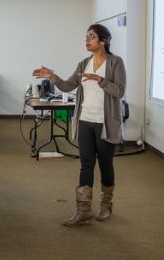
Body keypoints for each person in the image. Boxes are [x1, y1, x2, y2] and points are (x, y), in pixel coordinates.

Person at [33, 24, 126, 227]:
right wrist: (52, 76)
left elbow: (120, 91)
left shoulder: (115, 62)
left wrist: (99, 79)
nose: (87, 40)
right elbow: (68, 85)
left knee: (105, 165)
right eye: (86, 36)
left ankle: (106, 205)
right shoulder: (84, 63)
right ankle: (83, 211)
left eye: (91, 37)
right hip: (85, 120)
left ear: (103, 40)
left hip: (106, 123)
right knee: (86, 165)